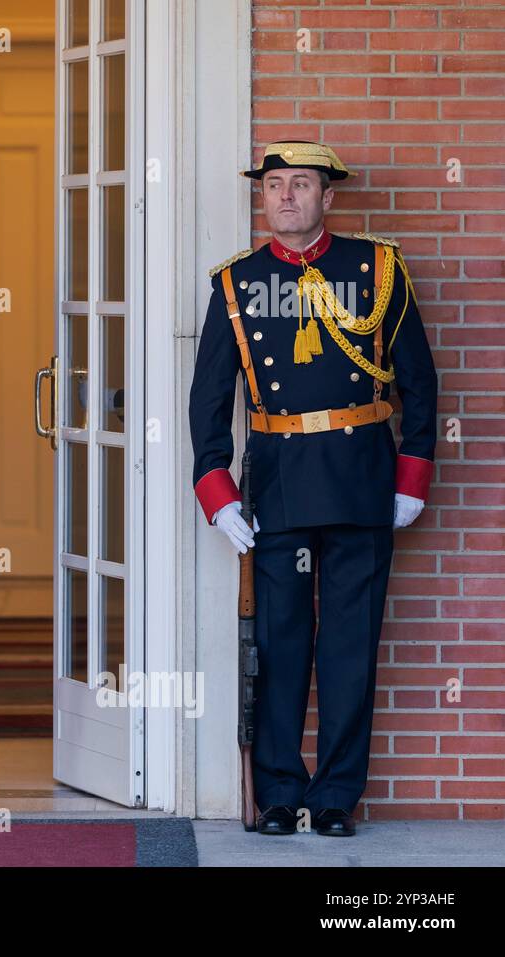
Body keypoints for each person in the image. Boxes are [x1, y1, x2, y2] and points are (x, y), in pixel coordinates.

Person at [188, 143, 438, 837]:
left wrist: (412, 474)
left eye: (302, 184)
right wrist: (218, 490)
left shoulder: (377, 269)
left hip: (361, 477)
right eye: (275, 184)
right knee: (282, 639)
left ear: (328, 196)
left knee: (351, 644)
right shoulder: (237, 284)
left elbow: (418, 380)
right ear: (262, 197)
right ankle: (276, 792)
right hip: (278, 483)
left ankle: (335, 796)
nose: (287, 196)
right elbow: (208, 399)